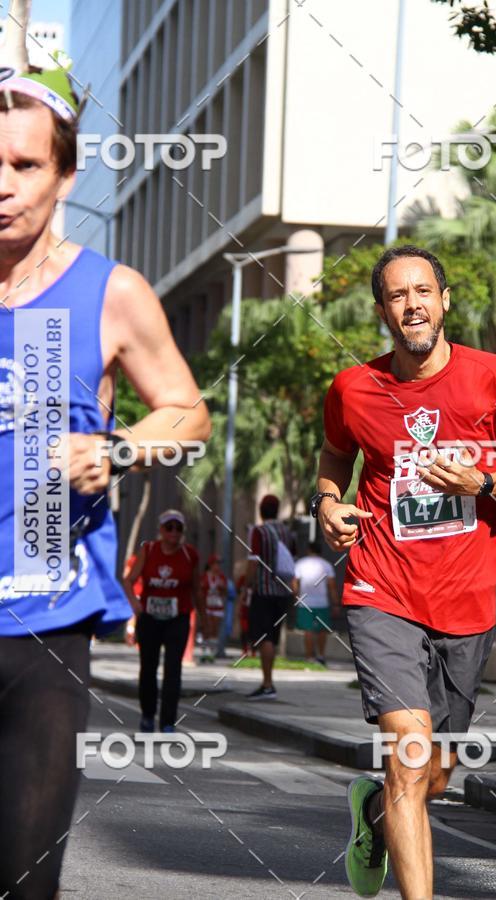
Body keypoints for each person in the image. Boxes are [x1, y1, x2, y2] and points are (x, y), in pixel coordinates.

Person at [0, 63, 210, 899]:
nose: (3, 186)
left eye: (25, 166)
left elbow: (187, 413)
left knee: (24, 880)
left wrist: (119, 449)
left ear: (66, 174)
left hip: (46, 619)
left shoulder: (110, 292)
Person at [313, 245, 496, 899]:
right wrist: (329, 504)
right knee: (412, 755)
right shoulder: (354, 388)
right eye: (397, 295)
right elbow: (335, 458)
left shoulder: (495, 378)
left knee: (434, 775)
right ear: (382, 310)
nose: (412, 304)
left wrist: (488, 480)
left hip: (465, 599)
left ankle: (370, 810)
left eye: (423, 291)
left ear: (444, 301)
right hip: (381, 587)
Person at [124, 510, 201, 732]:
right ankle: (148, 714)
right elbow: (129, 580)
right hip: (150, 618)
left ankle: (168, 721)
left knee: (173, 669)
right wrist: (135, 605)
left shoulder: (190, 554)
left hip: (178, 618)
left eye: (178, 528)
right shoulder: (148, 550)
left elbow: (196, 588)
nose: (174, 533)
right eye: (169, 528)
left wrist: (203, 618)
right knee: (148, 667)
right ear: (161, 530)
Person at [246, 494, 296, 699]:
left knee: (264, 637)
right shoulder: (288, 533)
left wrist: (246, 587)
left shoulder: (258, 532)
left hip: (263, 591)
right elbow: (293, 562)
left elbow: (253, 562)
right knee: (273, 638)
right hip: (283, 593)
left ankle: (267, 684)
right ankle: (268, 683)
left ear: (261, 510)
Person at [292, 542, 339, 664]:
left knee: (308, 630)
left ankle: (309, 657)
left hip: (305, 601)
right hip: (322, 602)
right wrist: (335, 603)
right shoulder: (326, 565)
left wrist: (296, 597)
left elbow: (294, 582)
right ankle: (321, 656)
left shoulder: (300, 563)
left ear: (308, 550)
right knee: (322, 630)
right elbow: (332, 586)